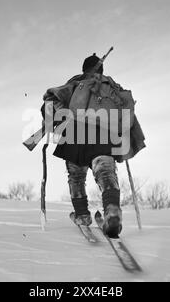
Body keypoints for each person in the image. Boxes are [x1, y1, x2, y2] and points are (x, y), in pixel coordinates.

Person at [42, 53, 145, 238]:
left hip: (77, 133)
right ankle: (112, 209)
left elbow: (51, 99)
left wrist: (54, 121)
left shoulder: (77, 83)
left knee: (76, 176)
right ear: (101, 70)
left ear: (84, 69)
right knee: (106, 173)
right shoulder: (113, 87)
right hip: (107, 136)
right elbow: (128, 116)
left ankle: (82, 215)